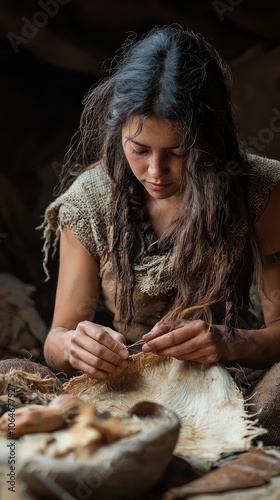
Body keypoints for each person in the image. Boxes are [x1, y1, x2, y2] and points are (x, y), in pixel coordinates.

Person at [41, 24, 280, 383]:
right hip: (129, 383)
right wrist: (76, 346)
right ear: (117, 132)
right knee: (11, 378)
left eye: (178, 152)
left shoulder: (260, 190)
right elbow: (56, 341)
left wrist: (229, 342)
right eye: (138, 150)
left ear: (210, 141)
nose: (155, 171)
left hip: (228, 377)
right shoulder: (90, 201)